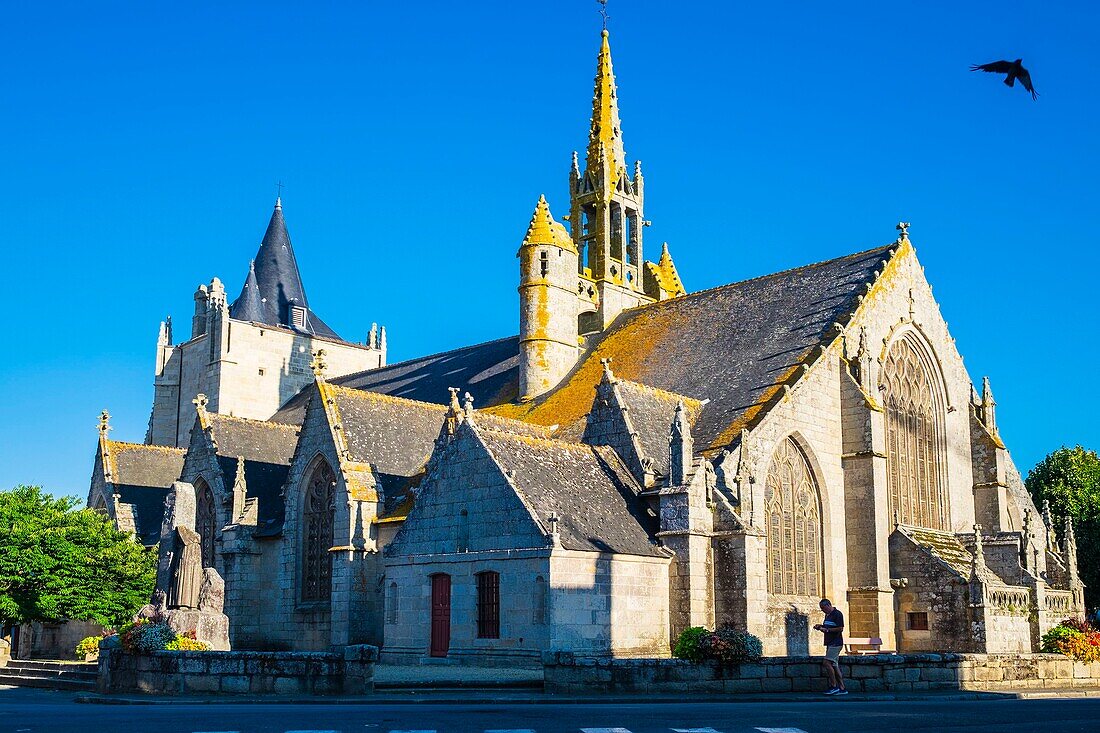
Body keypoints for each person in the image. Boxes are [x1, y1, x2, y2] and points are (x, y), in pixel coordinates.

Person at [813, 598, 848, 695]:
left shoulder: (837, 614)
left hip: (836, 643)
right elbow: (829, 627)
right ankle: (842, 688)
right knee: (834, 665)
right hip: (830, 643)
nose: (822, 610)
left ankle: (834, 686)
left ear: (828, 605)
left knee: (826, 663)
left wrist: (827, 630)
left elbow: (840, 628)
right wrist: (820, 627)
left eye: (823, 608)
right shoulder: (827, 615)